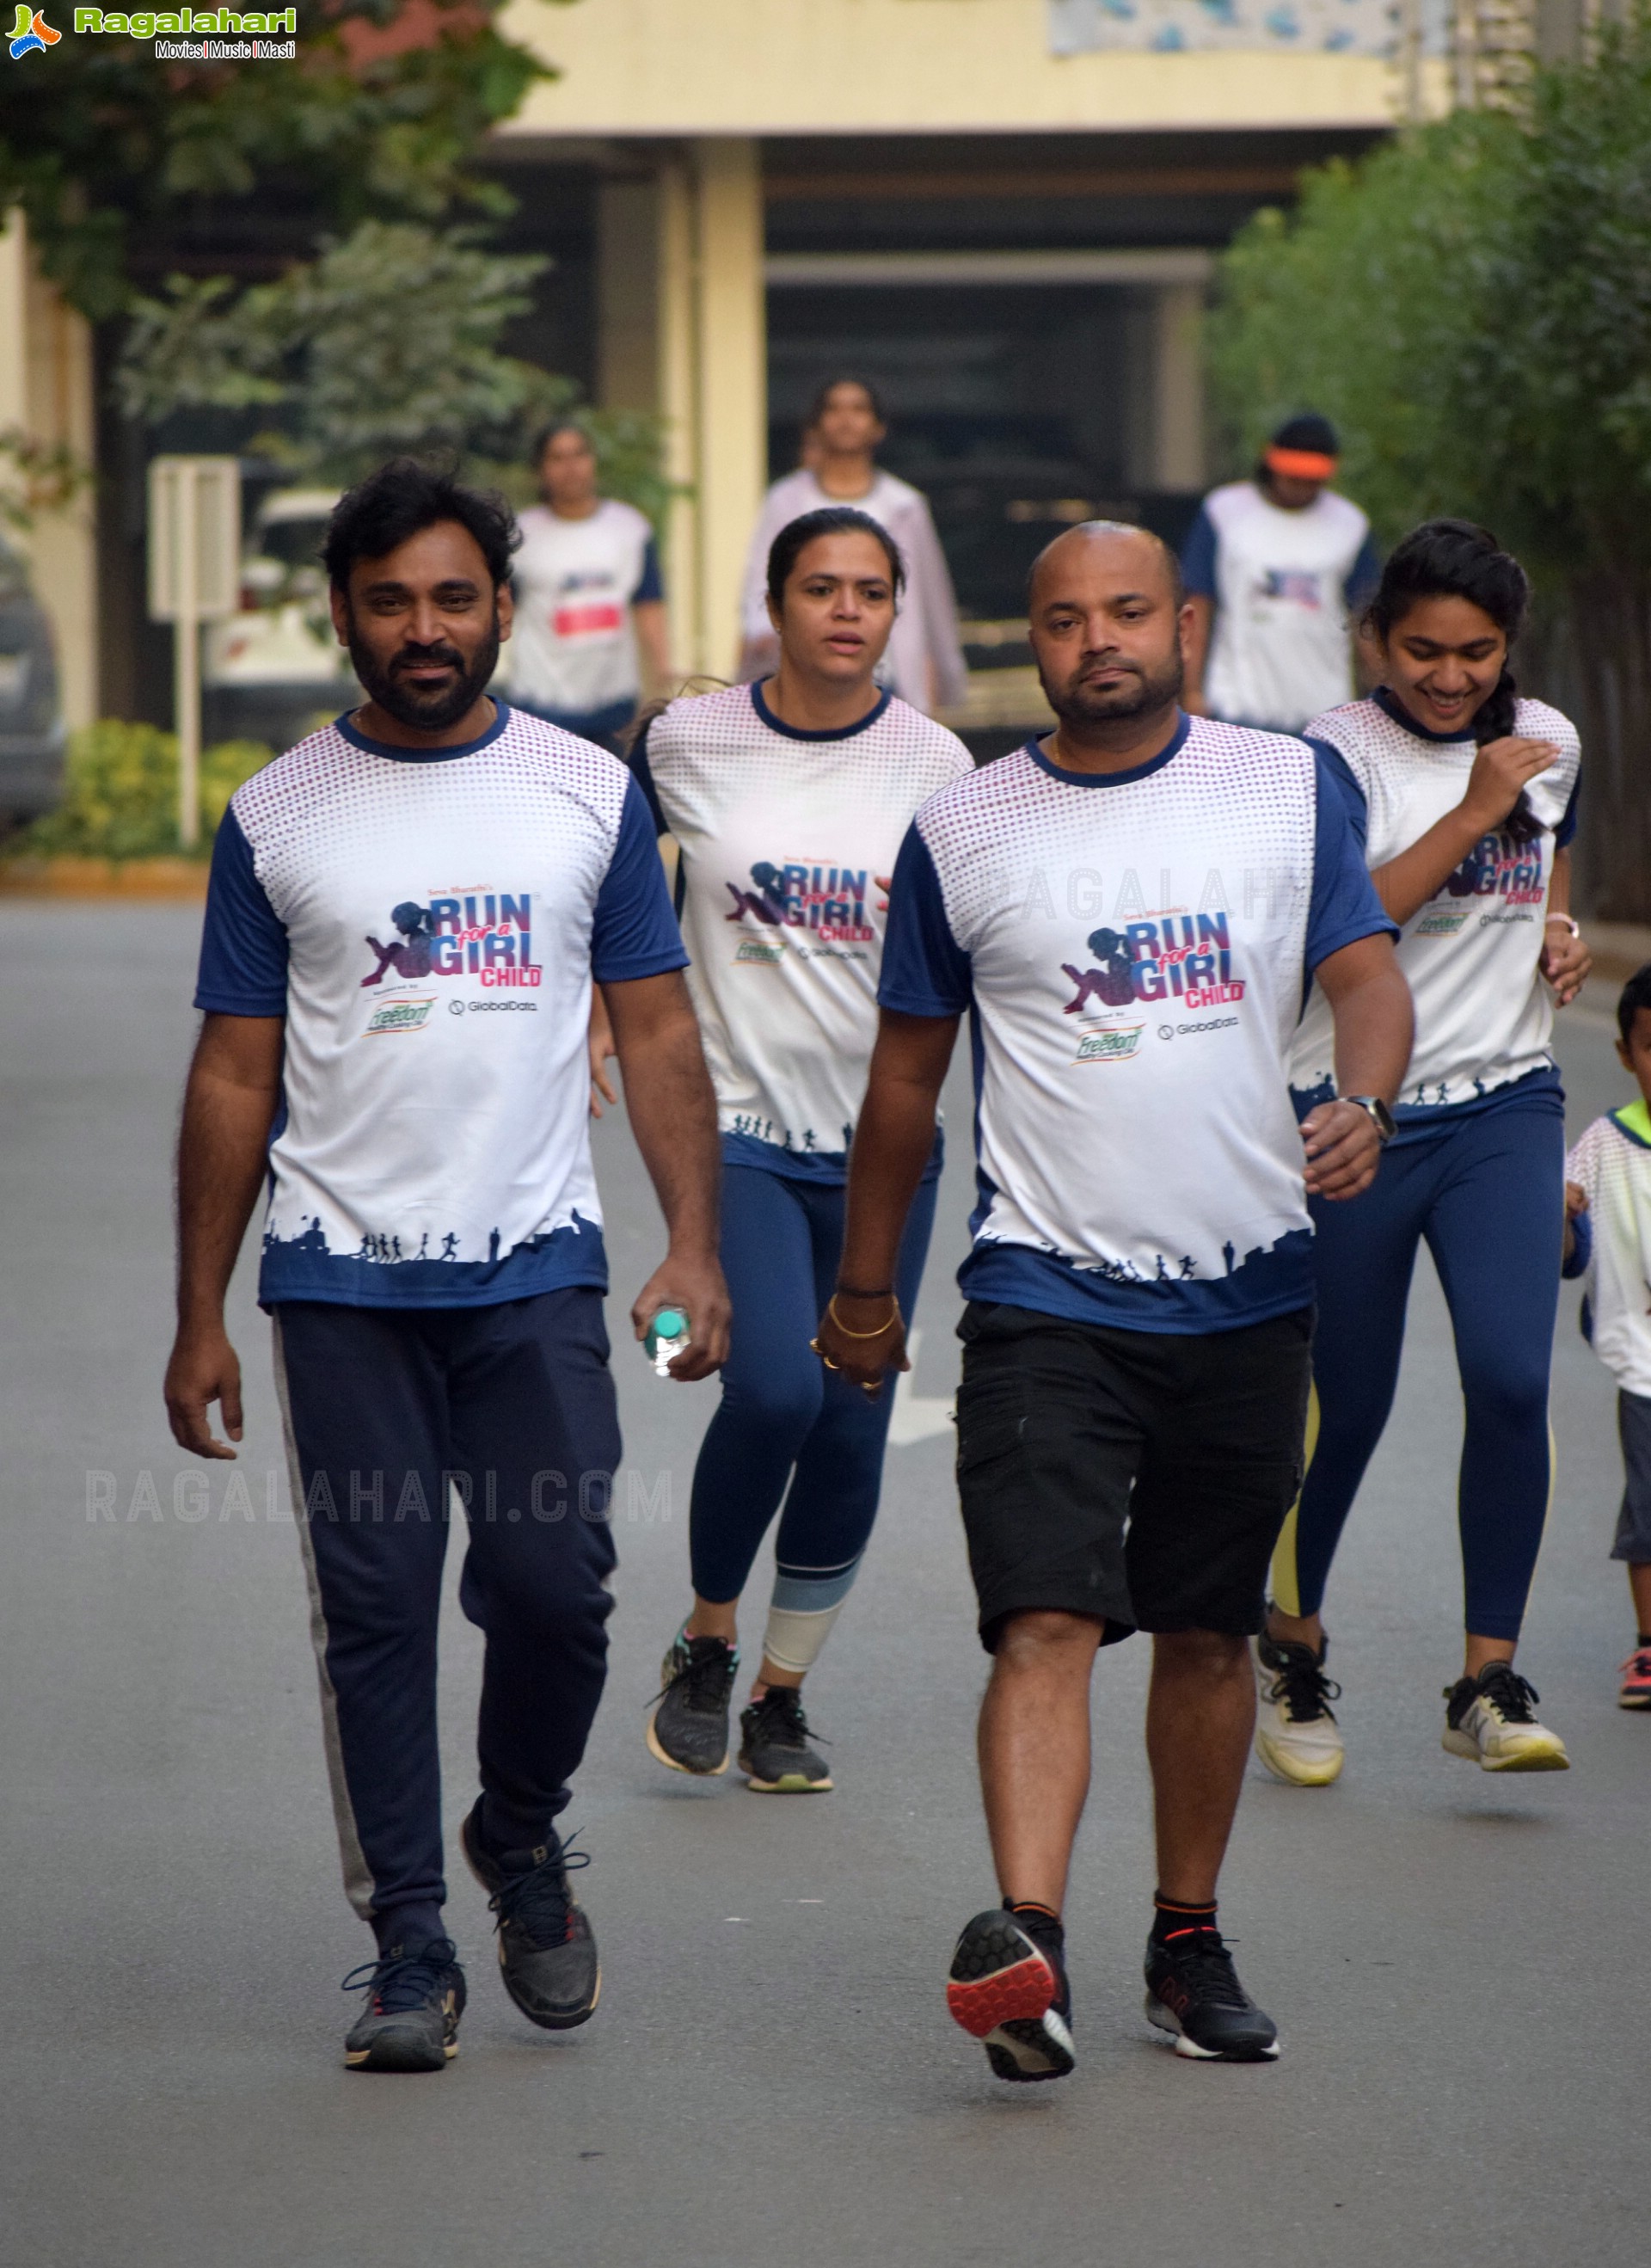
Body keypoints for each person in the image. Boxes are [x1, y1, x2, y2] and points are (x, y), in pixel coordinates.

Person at [814, 520, 1409, 2079]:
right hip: (1046, 1294)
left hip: (1249, 1289)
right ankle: (1031, 1944)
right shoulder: (966, 831)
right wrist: (864, 1292)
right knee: (1048, 1622)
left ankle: (1186, 1941)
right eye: (1067, 621)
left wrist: (1367, 1095)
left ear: (1188, 625)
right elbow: (902, 1084)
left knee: (1210, 1633)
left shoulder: (1288, 789)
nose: (1100, 643)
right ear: (1036, 641)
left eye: (1129, 612)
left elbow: (1366, 974)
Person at [163, 458, 729, 2074]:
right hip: (341, 1282)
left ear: (506, 608)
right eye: (392, 600)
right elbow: (230, 1074)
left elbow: (657, 1025)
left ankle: (522, 1831)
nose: (426, 628)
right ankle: (410, 1941)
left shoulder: (585, 794)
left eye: (455, 597)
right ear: (344, 612)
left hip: (534, 1268)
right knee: (376, 1612)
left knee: (559, 1591)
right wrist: (198, 1312)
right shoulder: (277, 813)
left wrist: (692, 1238)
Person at [629, 508, 973, 1789]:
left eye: (871, 592)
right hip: (741, 1134)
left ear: (895, 613)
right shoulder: (687, 742)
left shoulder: (939, 767)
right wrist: (605, 1021)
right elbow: (603, 885)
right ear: (773, 603)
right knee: (773, 1388)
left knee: (850, 1423)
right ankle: (708, 1638)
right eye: (819, 587)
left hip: (889, 1147)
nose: (846, 610)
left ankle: (781, 1693)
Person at [1261, 519, 1589, 1786]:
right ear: (1373, 640)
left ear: (1509, 646)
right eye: (1423, 651)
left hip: (1506, 1105)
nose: (1451, 677)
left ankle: (1485, 1681)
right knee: (1347, 1400)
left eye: (1478, 652)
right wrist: (1475, 806)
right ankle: (1290, 1644)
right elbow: (1354, 918)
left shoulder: (1551, 740)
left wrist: (1557, 923)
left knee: (1513, 1378)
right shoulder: (1330, 758)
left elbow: (1551, 858)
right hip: (1356, 1115)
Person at [739, 379, 967, 717]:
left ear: (878, 428)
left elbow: (931, 598)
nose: (846, 419)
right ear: (816, 426)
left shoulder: (905, 506)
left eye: (859, 409)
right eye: (834, 409)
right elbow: (760, 575)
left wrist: (939, 679)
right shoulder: (786, 500)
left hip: (888, 677)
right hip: (803, 678)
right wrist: (760, 630)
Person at [1562, 962, 1651, 1710]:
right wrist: (1560, 1207)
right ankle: (1650, 1648)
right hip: (1645, 1366)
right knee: (1649, 1508)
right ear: (1625, 1055)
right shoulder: (1605, 1144)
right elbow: (1567, 1241)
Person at [1182, 413, 1380, 734]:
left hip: (1324, 711)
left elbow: (1366, 616)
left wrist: (1380, 695)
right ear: (1271, 464)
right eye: (1293, 476)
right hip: (1237, 708)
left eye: (1311, 478)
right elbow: (1199, 605)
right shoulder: (1224, 511)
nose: (1302, 487)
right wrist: (1192, 693)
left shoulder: (1350, 524)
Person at [506, 420, 669, 750]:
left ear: (593, 460)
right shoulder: (520, 534)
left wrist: (663, 669)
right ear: (540, 469)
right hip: (541, 701)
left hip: (613, 701)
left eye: (579, 454)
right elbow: (501, 610)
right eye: (557, 458)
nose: (571, 467)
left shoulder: (630, 528)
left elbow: (648, 603)